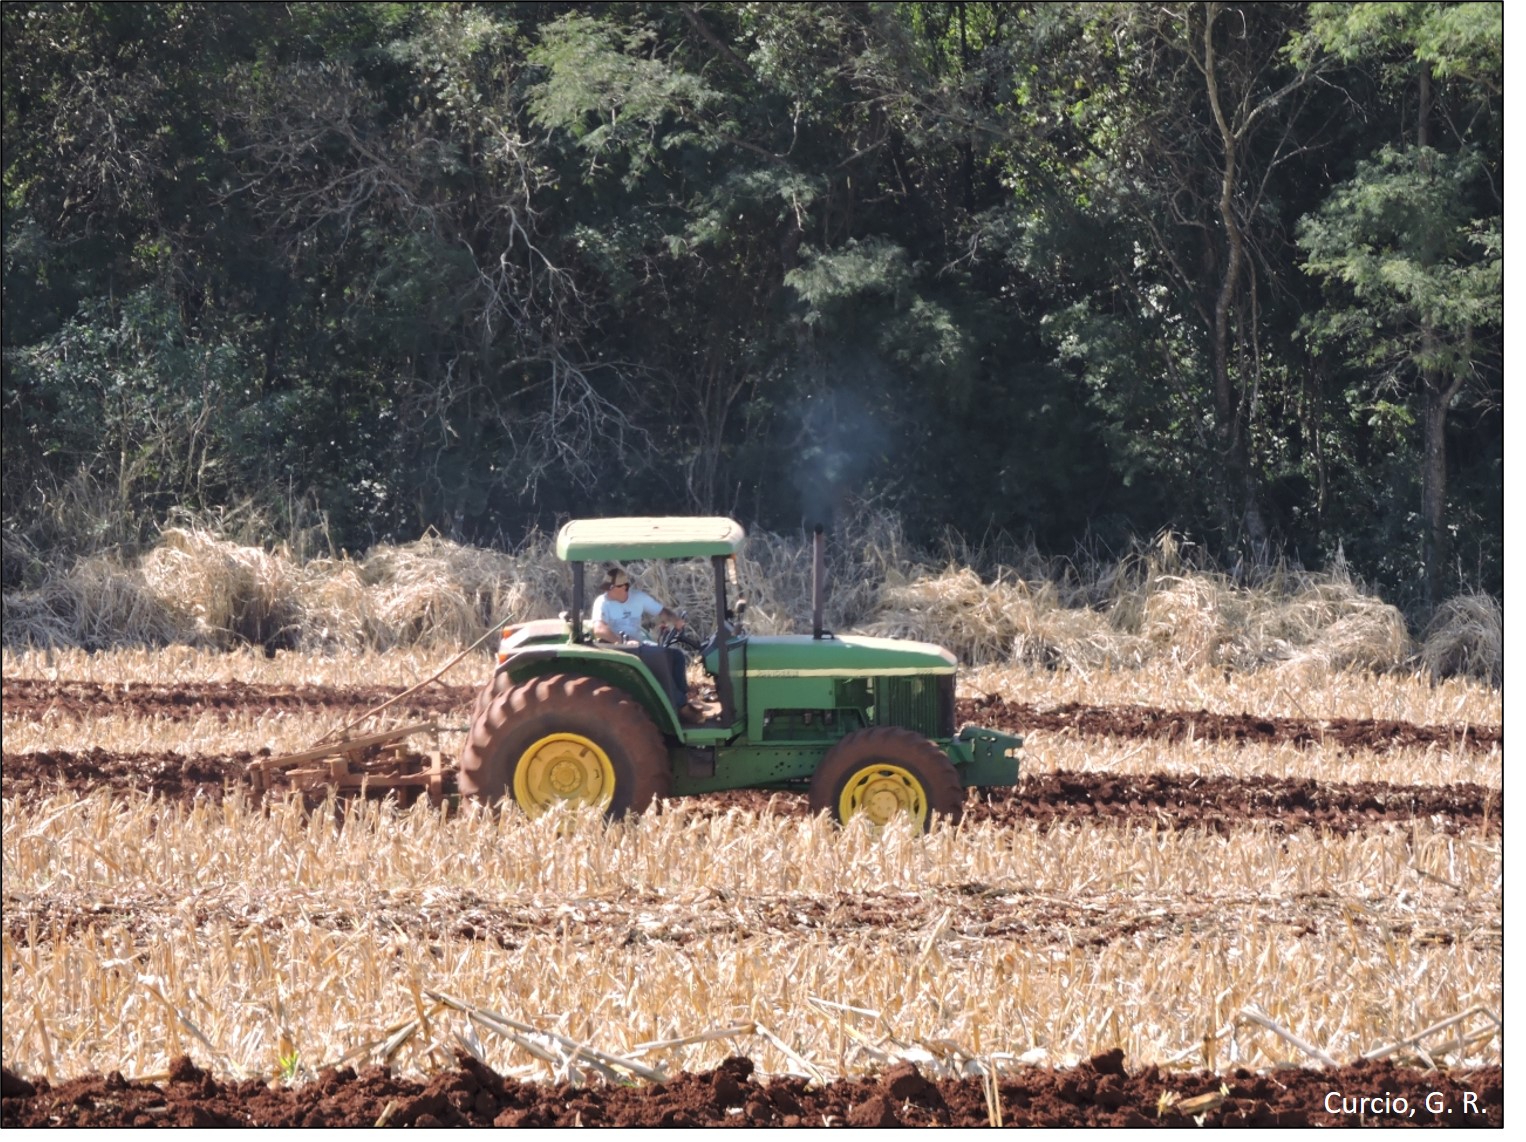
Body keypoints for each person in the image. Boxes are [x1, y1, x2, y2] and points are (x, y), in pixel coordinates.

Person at [590, 566, 703, 723]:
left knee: (676, 656)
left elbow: (661, 611)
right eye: (606, 588)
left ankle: (682, 699)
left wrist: (675, 620)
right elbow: (599, 630)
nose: (606, 592)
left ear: (624, 587)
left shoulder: (638, 598)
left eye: (610, 588)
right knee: (660, 659)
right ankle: (680, 705)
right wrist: (623, 642)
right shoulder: (602, 602)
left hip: (637, 645)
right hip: (617, 647)